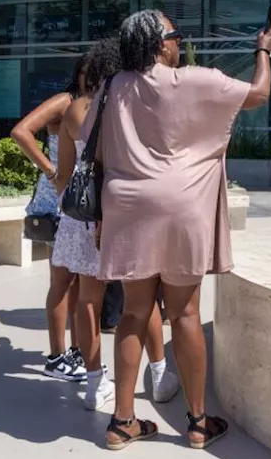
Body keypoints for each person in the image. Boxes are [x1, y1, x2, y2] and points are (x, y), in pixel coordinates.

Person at [91, 9, 271, 451]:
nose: (179, 43)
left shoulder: (112, 86)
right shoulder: (195, 79)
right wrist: (263, 51)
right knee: (186, 314)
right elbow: (259, 93)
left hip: (127, 207)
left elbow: (96, 149)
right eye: (175, 36)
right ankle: (196, 422)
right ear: (161, 44)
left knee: (134, 313)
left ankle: (122, 422)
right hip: (181, 208)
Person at [55, 36, 180, 412]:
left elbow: (63, 177)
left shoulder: (76, 110)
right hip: (126, 214)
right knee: (141, 300)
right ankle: (159, 376)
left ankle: (95, 384)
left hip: (84, 216)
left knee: (88, 301)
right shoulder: (130, 106)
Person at [10, 59, 86, 383]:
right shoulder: (65, 102)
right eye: (90, 72)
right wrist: (51, 171)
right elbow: (20, 131)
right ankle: (57, 357)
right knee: (62, 281)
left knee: (81, 282)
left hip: (80, 202)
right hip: (58, 203)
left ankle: (76, 351)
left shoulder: (91, 105)